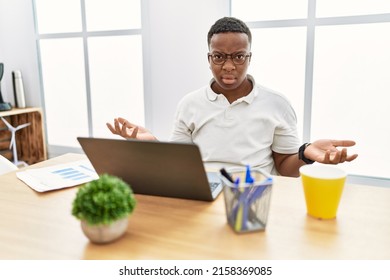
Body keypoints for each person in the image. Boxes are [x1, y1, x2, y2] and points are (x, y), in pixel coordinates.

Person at [107, 17, 358, 177]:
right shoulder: (189, 104)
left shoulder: (277, 104)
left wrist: (305, 153)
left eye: (238, 56)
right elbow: (178, 166)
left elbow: (284, 168)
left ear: (249, 58)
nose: (228, 66)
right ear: (209, 59)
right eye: (219, 56)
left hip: (256, 194)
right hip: (205, 193)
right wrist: (152, 143)